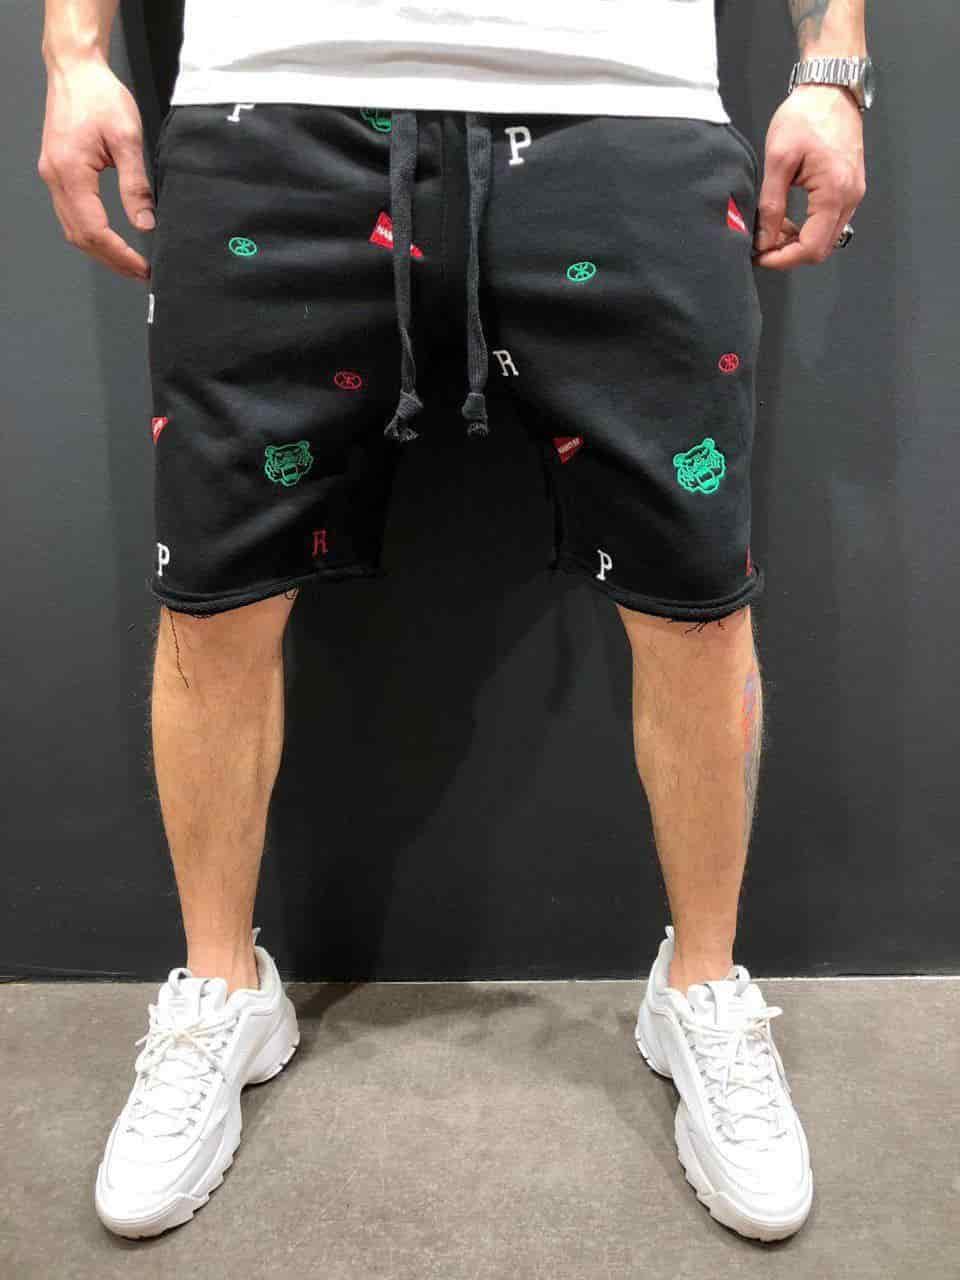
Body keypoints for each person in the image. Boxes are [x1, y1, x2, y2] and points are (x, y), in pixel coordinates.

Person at [38, 0, 869, 1244]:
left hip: (625, 108)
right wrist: (71, 54)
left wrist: (834, 66)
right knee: (215, 590)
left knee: (697, 596)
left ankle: (701, 987)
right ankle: (220, 992)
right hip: (271, 102)